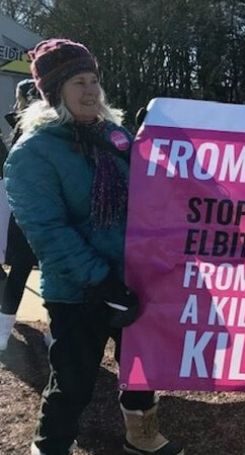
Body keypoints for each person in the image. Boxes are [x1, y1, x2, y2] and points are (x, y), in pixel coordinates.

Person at [4, 39, 184, 455]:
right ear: (55, 92)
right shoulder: (34, 152)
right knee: (73, 379)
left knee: (140, 367)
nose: (90, 91)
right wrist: (102, 282)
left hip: (133, 279)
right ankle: (50, 446)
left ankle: (142, 436)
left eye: (93, 81)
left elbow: (154, 191)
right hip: (78, 291)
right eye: (78, 83)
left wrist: (164, 148)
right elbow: (48, 232)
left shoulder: (116, 136)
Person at [0, 78, 41, 351]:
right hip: (35, 211)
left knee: (21, 270)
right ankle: (4, 331)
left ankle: (3, 332)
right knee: (46, 273)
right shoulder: (47, 128)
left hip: (25, 212)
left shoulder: (23, 129)